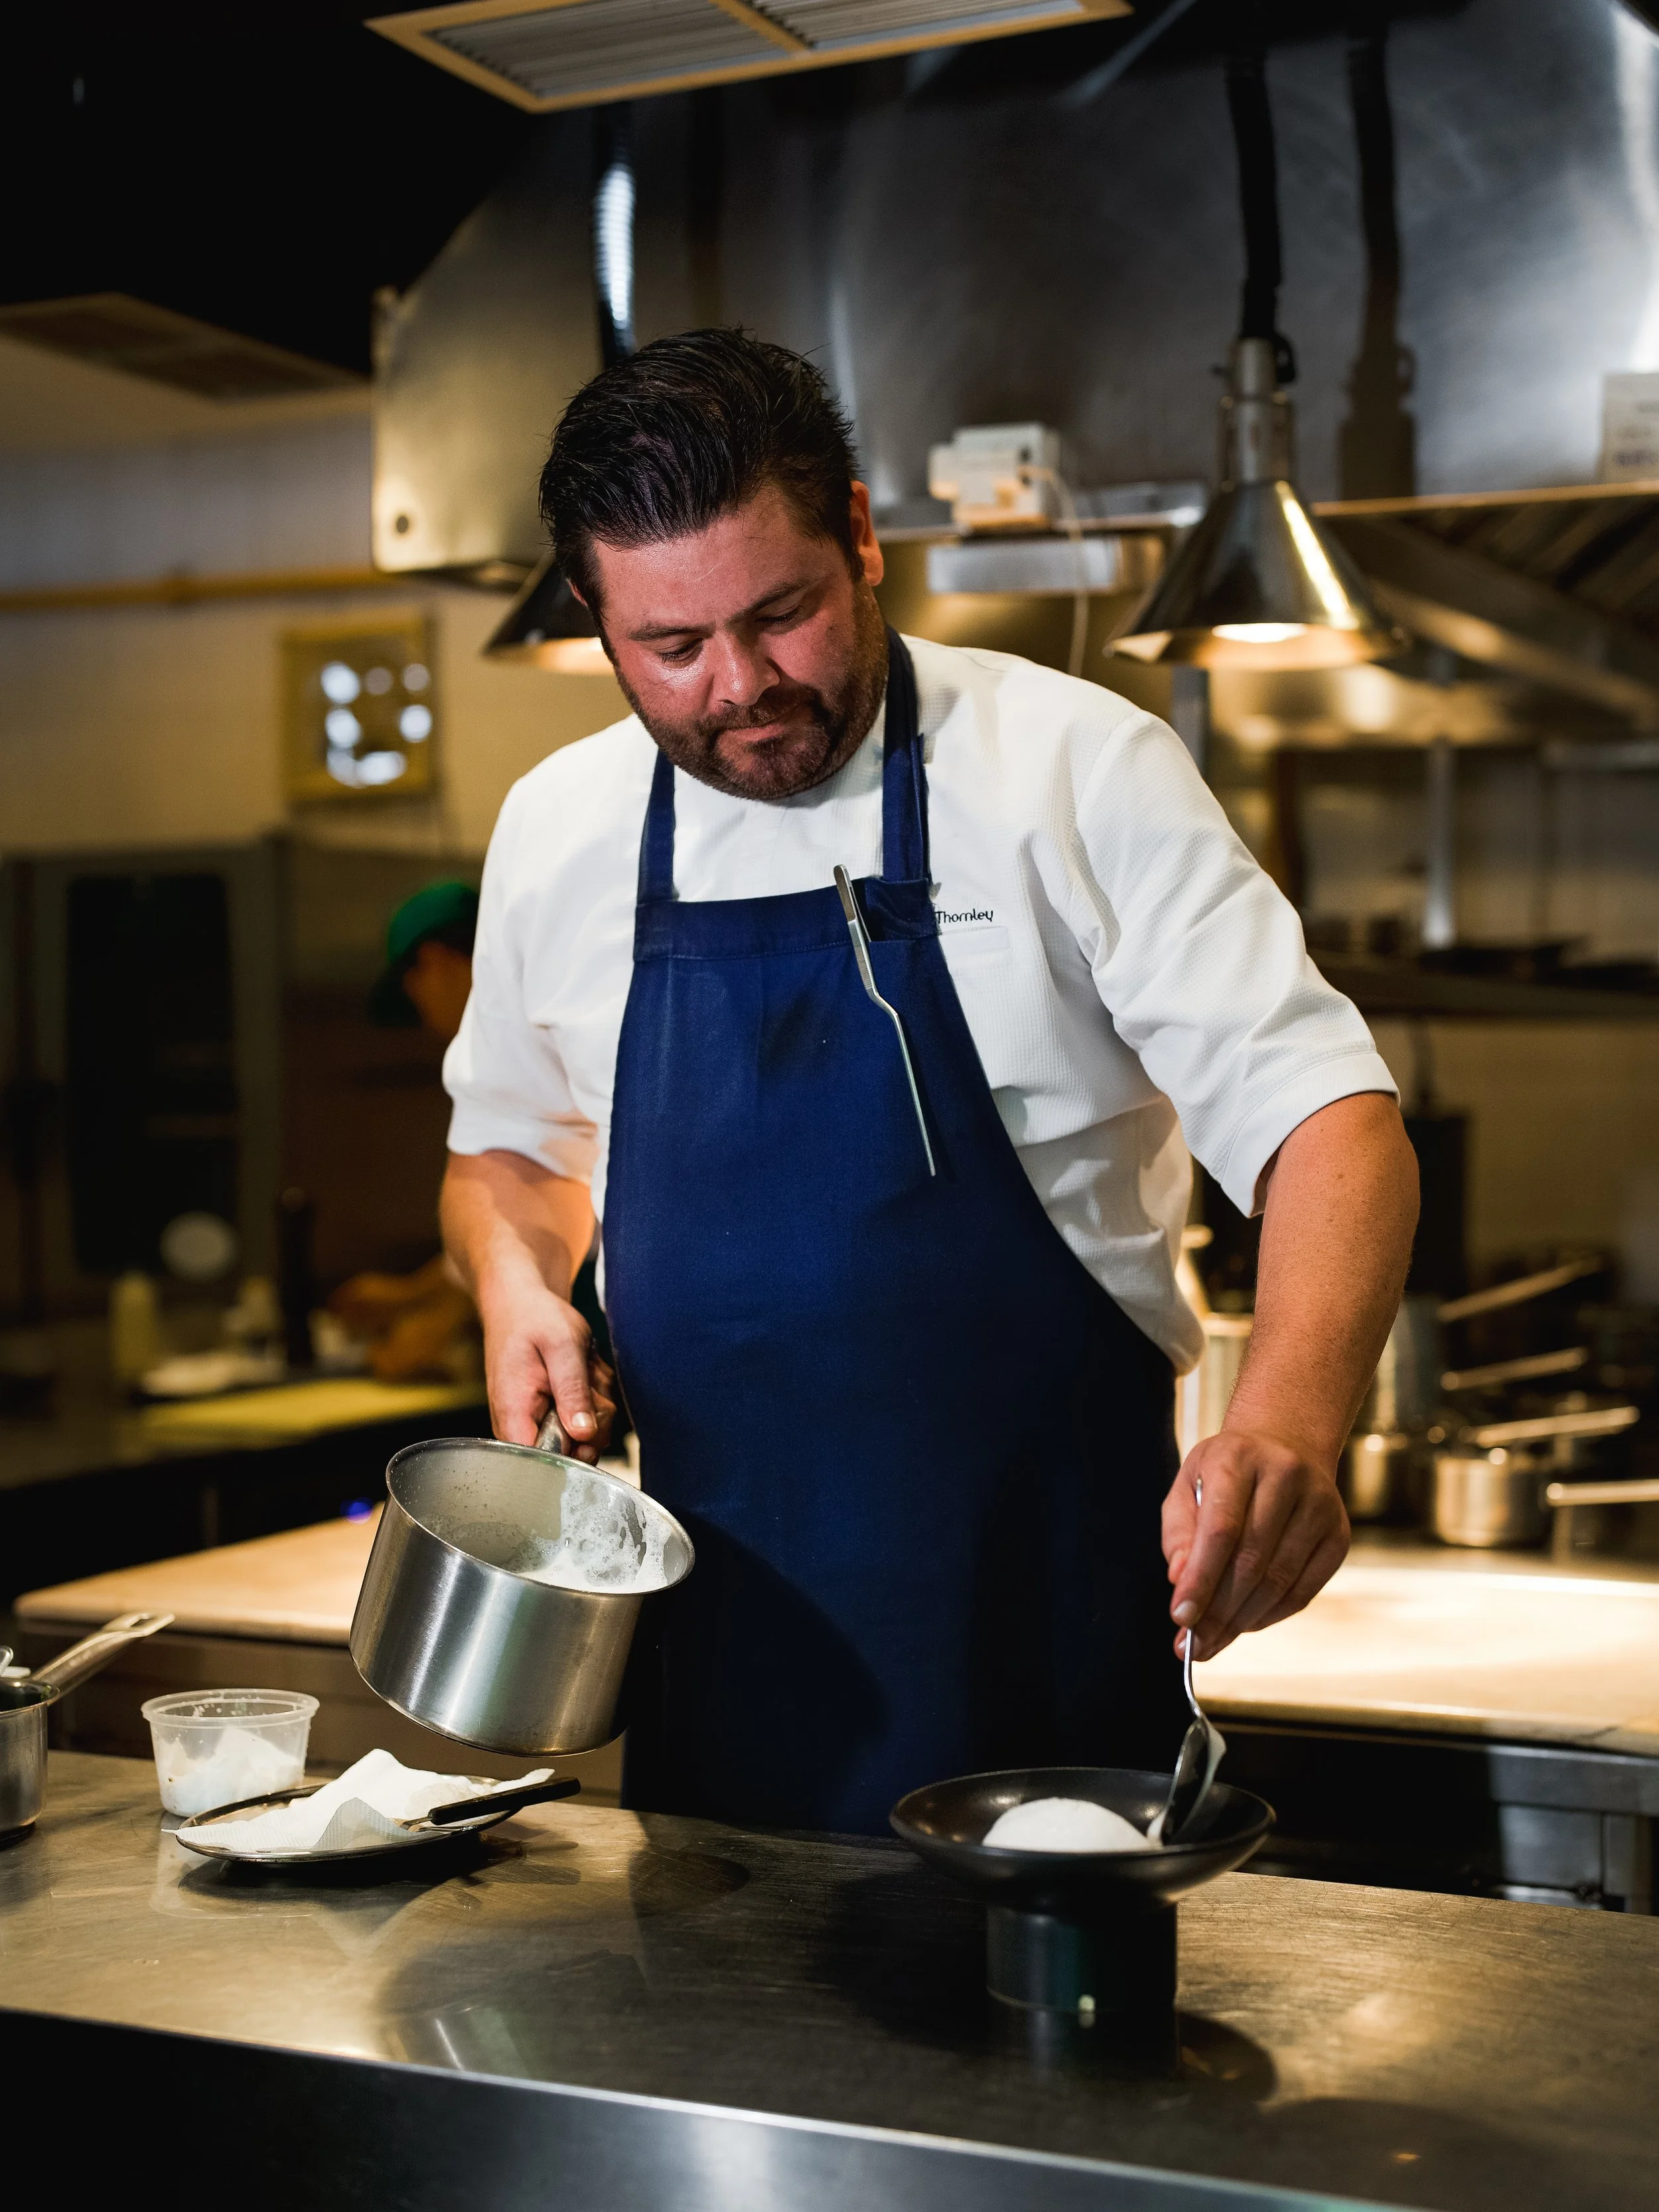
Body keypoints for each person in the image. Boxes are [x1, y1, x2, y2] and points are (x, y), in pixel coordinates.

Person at [441, 330, 1419, 1835]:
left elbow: (1327, 1122)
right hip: (715, 1703)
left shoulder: (1070, 767)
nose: (744, 688)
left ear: (859, 536)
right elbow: (508, 1147)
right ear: (595, 613)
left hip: (1045, 1681)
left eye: (782, 614)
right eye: (672, 648)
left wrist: (1289, 1422)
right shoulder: (558, 829)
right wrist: (518, 1291)